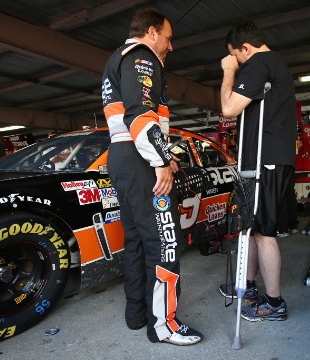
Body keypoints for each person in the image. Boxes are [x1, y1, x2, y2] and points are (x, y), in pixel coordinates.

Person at [101, 8, 202, 346]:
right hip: (140, 159)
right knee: (164, 242)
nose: (171, 47)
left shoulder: (118, 57)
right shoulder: (141, 56)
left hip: (123, 156)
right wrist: (159, 160)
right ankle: (165, 325)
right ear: (152, 31)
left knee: (137, 239)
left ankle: (137, 314)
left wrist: (165, 156)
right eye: (169, 38)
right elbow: (140, 114)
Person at [219, 21, 297, 322]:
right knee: (250, 229)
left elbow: (228, 108)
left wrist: (229, 71)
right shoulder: (274, 63)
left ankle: (275, 303)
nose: (234, 60)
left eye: (234, 55)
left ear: (245, 48)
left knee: (264, 232)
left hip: (266, 161)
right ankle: (248, 287)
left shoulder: (258, 62)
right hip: (266, 160)